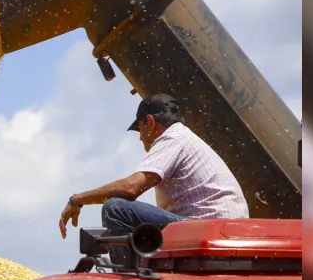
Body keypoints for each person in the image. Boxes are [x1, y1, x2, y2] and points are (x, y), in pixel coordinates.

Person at [58, 93, 249, 264]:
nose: (141, 138)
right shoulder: (187, 139)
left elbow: (131, 188)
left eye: (140, 129)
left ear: (150, 122)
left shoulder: (172, 139)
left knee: (116, 209)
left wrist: (78, 199)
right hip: (226, 231)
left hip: (207, 230)